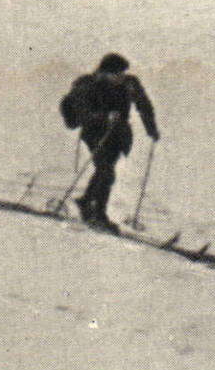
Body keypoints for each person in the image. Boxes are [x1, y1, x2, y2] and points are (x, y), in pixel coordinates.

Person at [61, 53, 158, 234]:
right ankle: (99, 215)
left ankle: (85, 202)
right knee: (106, 172)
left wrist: (151, 128)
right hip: (94, 133)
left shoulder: (129, 84)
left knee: (104, 171)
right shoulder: (88, 86)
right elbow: (83, 113)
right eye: (116, 74)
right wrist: (104, 117)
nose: (121, 77)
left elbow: (143, 104)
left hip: (118, 136)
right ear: (105, 72)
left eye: (122, 73)